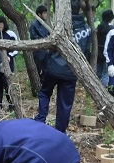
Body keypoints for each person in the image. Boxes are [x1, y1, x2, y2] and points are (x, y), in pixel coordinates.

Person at [34, 0, 91, 133]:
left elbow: (51, 47)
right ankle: (60, 132)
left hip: (54, 68)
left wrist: (46, 63)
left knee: (44, 93)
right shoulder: (87, 29)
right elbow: (86, 51)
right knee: (65, 103)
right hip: (72, 71)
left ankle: (40, 120)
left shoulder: (60, 26)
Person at [0, 15, 18, 112]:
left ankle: (12, 105)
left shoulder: (10, 34)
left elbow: (17, 48)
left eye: (1, 23)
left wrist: (10, 56)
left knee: (7, 83)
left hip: (7, 64)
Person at [29, 5, 50, 82]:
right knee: (38, 71)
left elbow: (49, 34)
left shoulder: (45, 24)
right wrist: (44, 40)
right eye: (44, 13)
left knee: (47, 70)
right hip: (38, 52)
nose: (46, 15)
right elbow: (33, 37)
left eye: (46, 13)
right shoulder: (34, 25)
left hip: (46, 51)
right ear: (39, 14)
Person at [97, 10, 114, 86]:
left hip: (98, 53)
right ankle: (103, 90)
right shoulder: (112, 29)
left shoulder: (99, 27)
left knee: (98, 72)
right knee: (106, 74)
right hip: (107, 53)